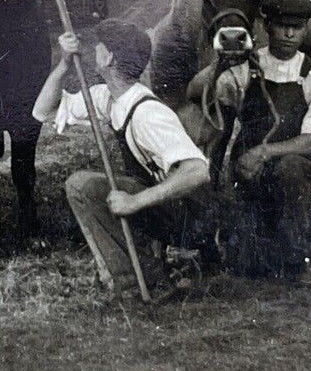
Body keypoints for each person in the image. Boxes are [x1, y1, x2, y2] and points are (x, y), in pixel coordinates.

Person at [35, 19, 219, 298]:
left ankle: (140, 281)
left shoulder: (148, 113)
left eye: (98, 47)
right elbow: (43, 110)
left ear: (109, 57)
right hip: (168, 207)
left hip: (192, 218)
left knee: (84, 185)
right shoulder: (109, 98)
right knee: (82, 184)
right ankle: (139, 272)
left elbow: (197, 172)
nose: (93, 52)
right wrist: (63, 66)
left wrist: (135, 201)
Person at [214, 0, 311, 279]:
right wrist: (217, 68)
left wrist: (264, 152)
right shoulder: (247, 66)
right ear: (267, 26)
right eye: (283, 26)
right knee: (244, 266)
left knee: (291, 169)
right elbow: (207, 96)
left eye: (297, 28)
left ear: (305, 30)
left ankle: (295, 261)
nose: (290, 35)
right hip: (247, 170)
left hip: (295, 167)